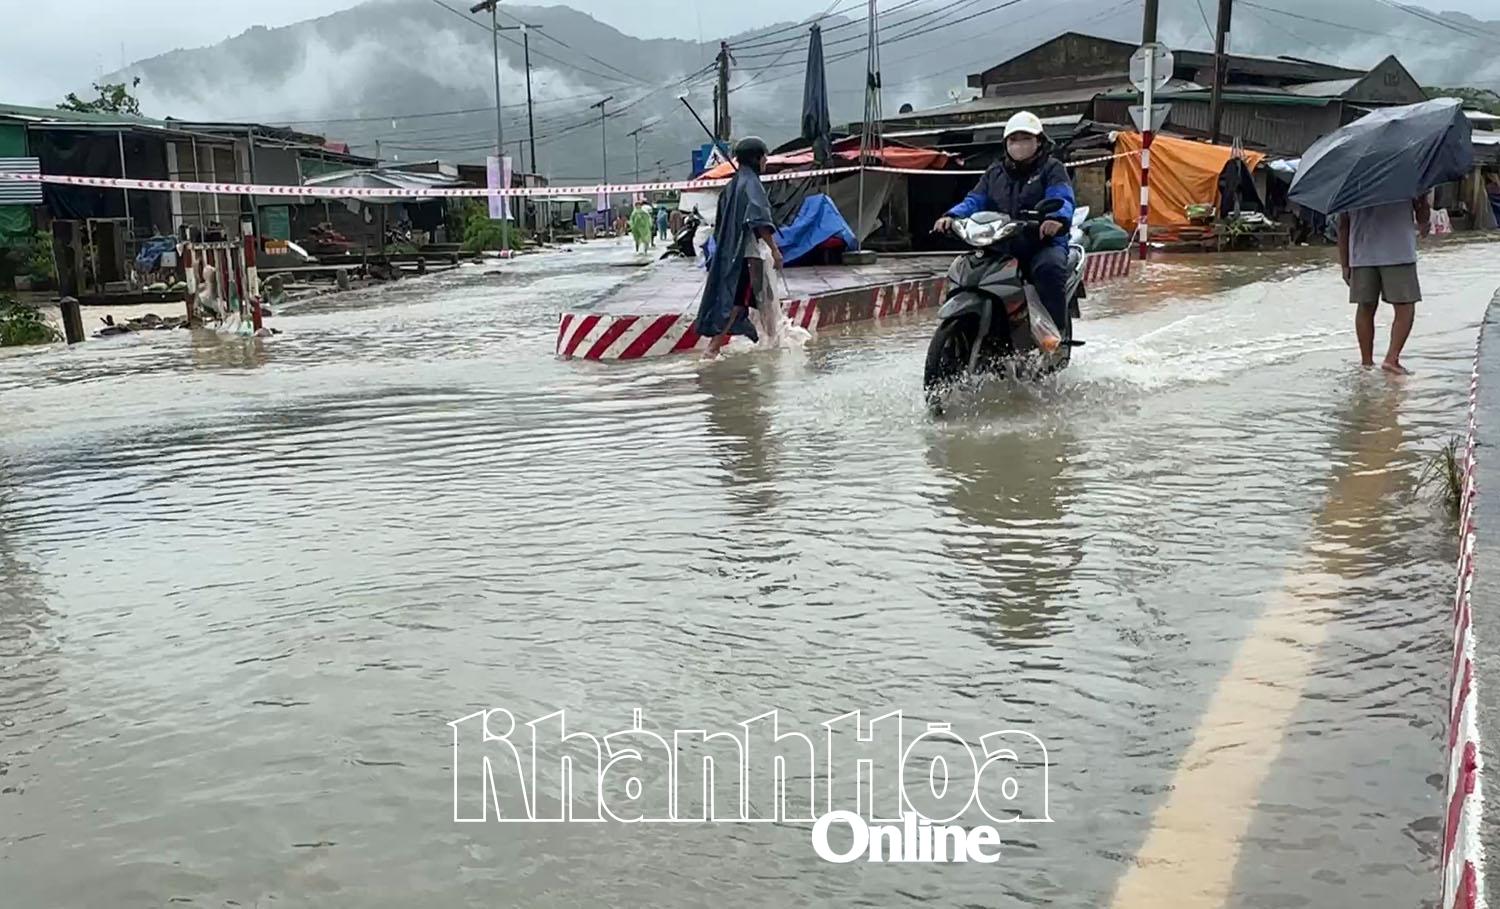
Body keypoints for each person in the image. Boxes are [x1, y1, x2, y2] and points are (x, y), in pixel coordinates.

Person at [933, 111, 1075, 333]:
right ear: (1005, 143)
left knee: (1049, 269)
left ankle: (1055, 336)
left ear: (1039, 141)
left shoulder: (1052, 168)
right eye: (1013, 140)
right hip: (1001, 242)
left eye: (1026, 139)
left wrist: (1056, 219)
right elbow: (975, 199)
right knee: (966, 270)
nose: (1019, 144)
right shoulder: (995, 172)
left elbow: (1061, 197)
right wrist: (951, 216)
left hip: (1041, 242)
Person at [694, 136, 782, 357]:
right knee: (739, 300)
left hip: (733, 251)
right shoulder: (751, 184)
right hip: (747, 253)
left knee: (761, 297)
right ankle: (713, 348)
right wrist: (775, 249)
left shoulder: (733, 185)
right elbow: (759, 218)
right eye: (764, 158)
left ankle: (772, 340)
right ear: (756, 158)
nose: (766, 162)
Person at [1338, 194, 1430, 375]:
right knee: (1405, 307)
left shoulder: (1351, 180)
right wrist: (1423, 211)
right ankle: (1392, 359)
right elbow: (1422, 216)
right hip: (1398, 252)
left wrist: (1345, 263)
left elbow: (1343, 225)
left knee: (1365, 307)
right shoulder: (1408, 177)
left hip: (1362, 254)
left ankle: (1366, 363)